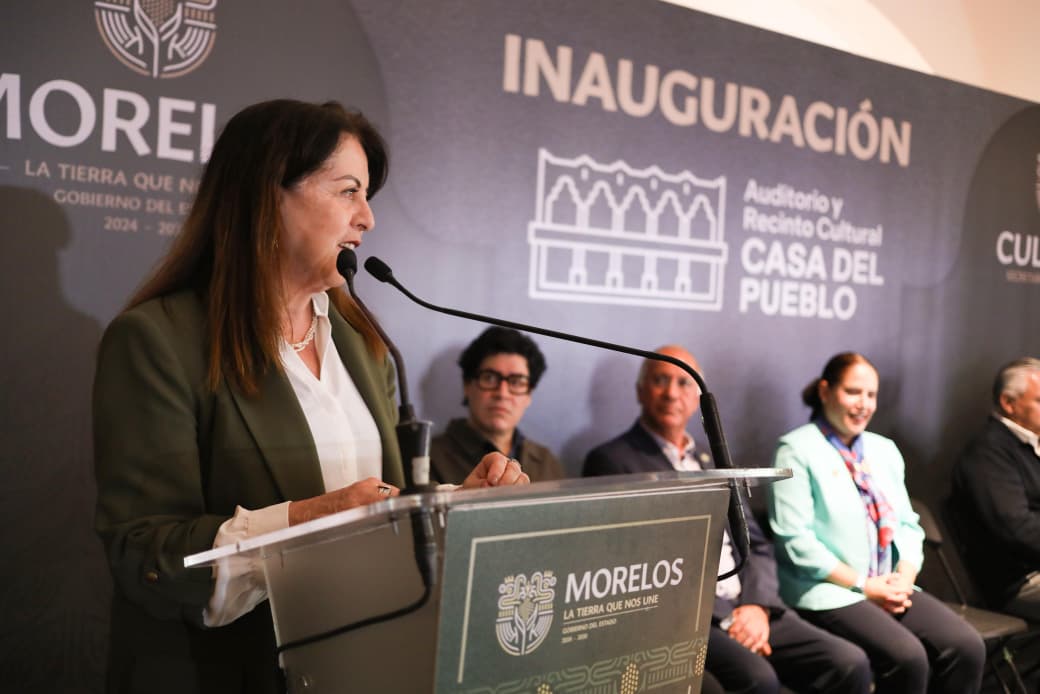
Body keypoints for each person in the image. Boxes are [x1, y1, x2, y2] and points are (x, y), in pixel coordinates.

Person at [92, 99, 528, 694]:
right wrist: (306, 521)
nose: (367, 218)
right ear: (266, 197)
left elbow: (385, 514)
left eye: (366, 195)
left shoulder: (365, 344)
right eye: (348, 191)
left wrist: (455, 508)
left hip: (367, 665)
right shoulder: (157, 340)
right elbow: (145, 556)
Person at [584, 346, 871, 694]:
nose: (672, 392)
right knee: (758, 679)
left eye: (683, 383)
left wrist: (756, 606)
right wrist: (730, 616)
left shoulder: (713, 458)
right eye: (660, 380)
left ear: (698, 398)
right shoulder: (612, 461)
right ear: (640, 390)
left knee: (849, 663)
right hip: (689, 616)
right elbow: (639, 564)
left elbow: (755, 543)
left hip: (750, 603)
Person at [769, 351, 985, 694]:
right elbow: (795, 540)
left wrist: (904, 578)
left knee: (967, 647)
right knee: (908, 658)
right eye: (853, 392)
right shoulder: (795, 450)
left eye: (871, 395)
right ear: (825, 391)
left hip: (888, 584)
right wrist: (864, 584)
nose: (864, 404)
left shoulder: (883, 450)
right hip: (828, 590)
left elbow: (908, 525)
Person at [953, 357, 1040, 618]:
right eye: (1039, 400)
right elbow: (1017, 529)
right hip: (1019, 583)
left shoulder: (1033, 445)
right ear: (1008, 403)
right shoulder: (987, 452)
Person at [430, 326, 565, 484]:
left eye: (516, 382)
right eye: (489, 378)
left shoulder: (547, 463)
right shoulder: (428, 459)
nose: (502, 393)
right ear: (467, 385)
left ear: (529, 394)